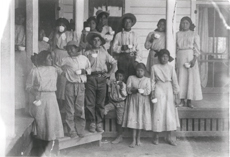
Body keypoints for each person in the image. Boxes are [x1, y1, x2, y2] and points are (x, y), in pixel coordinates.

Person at [26, 50, 64, 156]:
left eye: (52, 58)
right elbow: (28, 86)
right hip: (40, 99)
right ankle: (41, 152)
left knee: (52, 125)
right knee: (41, 125)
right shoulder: (35, 71)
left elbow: (64, 72)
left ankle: (53, 152)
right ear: (43, 59)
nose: (51, 59)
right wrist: (35, 93)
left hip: (52, 98)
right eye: (49, 58)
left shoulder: (54, 69)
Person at [84, 32, 117, 133]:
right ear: (91, 42)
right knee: (90, 102)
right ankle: (92, 123)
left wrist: (109, 73)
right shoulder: (87, 53)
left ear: (101, 42)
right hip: (91, 78)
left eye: (98, 40)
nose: (96, 42)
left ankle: (99, 123)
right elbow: (83, 66)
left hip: (102, 79)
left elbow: (114, 62)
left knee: (100, 102)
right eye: (94, 40)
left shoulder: (104, 53)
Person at [58, 41, 91, 138]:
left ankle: (80, 130)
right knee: (70, 108)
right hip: (70, 85)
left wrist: (85, 71)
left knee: (80, 108)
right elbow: (56, 66)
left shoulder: (84, 58)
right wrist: (62, 73)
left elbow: (89, 69)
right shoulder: (66, 59)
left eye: (72, 48)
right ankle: (71, 130)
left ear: (77, 49)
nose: (69, 50)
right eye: (68, 49)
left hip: (81, 85)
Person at [151, 49, 180, 146]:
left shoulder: (171, 68)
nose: (164, 58)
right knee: (158, 111)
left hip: (169, 89)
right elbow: (152, 82)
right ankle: (156, 137)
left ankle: (170, 137)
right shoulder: (154, 67)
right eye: (162, 56)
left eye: (166, 57)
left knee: (170, 112)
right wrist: (152, 93)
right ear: (159, 57)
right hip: (159, 89)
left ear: (168, 58)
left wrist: (177, 95)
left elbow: (175, 81)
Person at [122, 63, 152, 148]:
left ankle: (138, 139)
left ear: (144, 71)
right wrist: (133, 90)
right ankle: (133, 140)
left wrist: (141, 91)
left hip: (143, 102)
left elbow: (148, 91)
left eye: (141, 70)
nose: (139, 72)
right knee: (134, 119)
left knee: (140, 119)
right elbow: (128, 89)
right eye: (138, 70)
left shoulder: (147, 79)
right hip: (133, 101)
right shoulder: (131, 78)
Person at [176, 16, 203, 108]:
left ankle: (189, 101)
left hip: (190, 56)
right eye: (183, 23)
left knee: (191, 78)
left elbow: (197, 48)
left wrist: (194, 59)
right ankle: (182, 100)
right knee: (181, 78)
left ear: (190, 24)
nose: (184, 24)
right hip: (180, 56)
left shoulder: (194, 34)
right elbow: (175, 47)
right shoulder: (177, 34)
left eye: (186, 23)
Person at [52, 18, 78, 107]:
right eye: (59, 25)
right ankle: (57, 102)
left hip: (65, 53)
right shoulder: (55, 34)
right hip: (56, 53)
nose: (61, 27)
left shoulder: (70, 34)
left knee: (65, 79)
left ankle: (65, 102)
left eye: (63, 25)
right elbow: (52, 43)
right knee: (57, 79)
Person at [112, 13, 142, 82]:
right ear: (123, 23)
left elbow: (139, 49)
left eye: (129, 22)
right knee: (123, 76)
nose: (127, 23)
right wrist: (121, 48)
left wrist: (137, 60)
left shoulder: (135, 35)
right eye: (126, 22)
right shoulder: (119, 35)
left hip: (132, 58)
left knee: (132, 76)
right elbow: (113, 48)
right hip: (122, 58)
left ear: (132, 23)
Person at [104, 70, 127, 144]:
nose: (118, 77)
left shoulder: (123, 85)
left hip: (120, 103)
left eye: (120, 76)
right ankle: (102, 130)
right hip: (113, 103)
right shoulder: (112, 82)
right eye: (117, 76)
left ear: (123, 78)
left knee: (119, 120)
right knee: (103, 110)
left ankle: (119, 136)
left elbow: (124, 95)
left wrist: (120, 88)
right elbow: (107, 82)